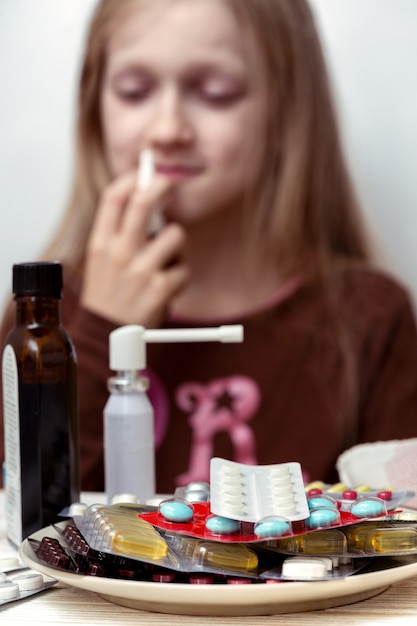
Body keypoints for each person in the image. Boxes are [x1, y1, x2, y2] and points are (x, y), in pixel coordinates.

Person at [1, 0, 417, 494]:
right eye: (134, 92)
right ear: (95, 110)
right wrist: (98, 334)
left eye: (216, 94)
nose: (167, 130)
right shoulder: (42, 315)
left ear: (286, 111)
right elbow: (25, 516)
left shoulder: (369, 320)